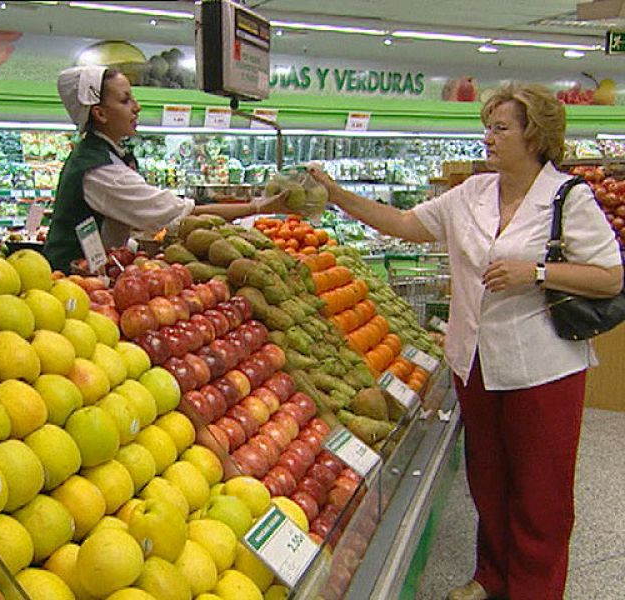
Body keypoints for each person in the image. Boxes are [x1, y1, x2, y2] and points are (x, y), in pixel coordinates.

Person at [306, 84, 622, 600]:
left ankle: (533, 589)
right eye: (487, 126)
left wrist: (537, 272)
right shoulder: (471, 193)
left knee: (541, 493)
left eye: (501, 128)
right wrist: (338, 196)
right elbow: (406, 224)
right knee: (489, 480)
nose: (488, 138)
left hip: (543, 368)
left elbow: (610, 277)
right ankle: (491, 576)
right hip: (474, 362)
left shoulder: (568, 197)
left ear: (535, 135)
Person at [44, 64, 285, 273]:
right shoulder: (100, 170)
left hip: (94, 273)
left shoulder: (106, 154)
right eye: (125, 100)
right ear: (100, 114)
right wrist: (258, 206)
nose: (136, 107)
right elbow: (179, 213)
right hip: (72, 280)